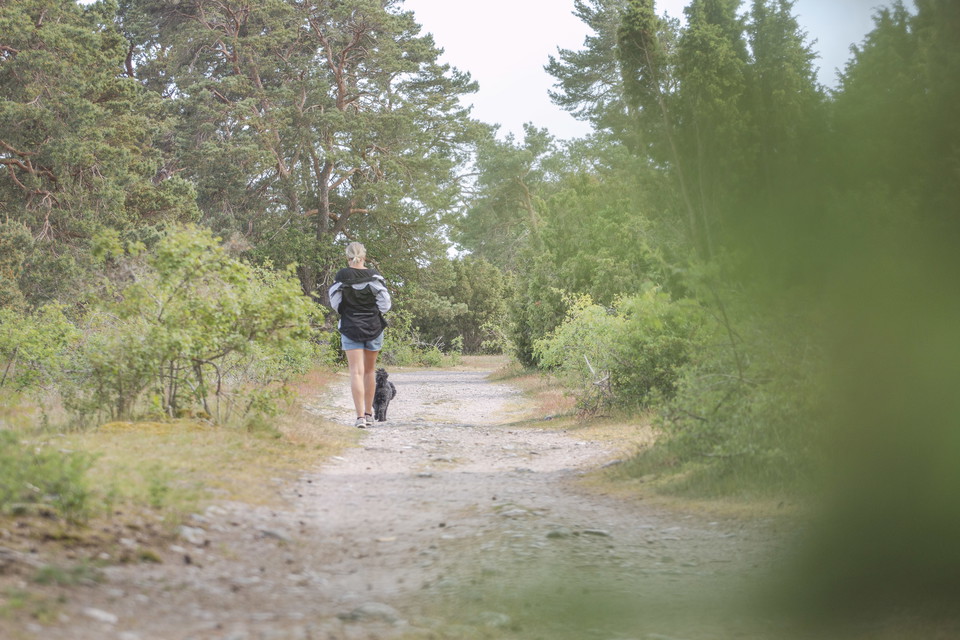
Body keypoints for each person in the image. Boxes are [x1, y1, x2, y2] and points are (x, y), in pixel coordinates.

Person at [328, 242, 392, 428]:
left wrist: (349, 311)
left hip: (350, 326)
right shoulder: (374, 276)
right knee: (369, 371)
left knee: (355, 372)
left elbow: (335, 303)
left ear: (347, 257)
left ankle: (360, 418)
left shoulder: (342, 277)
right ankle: (369, 414)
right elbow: (385, 304)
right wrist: (372, 313)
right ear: (364, 257)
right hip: (373, 327)